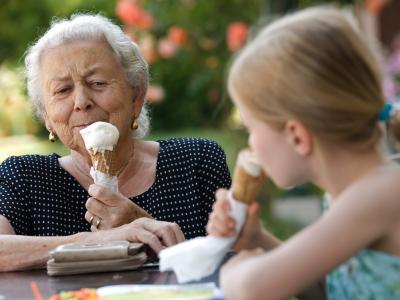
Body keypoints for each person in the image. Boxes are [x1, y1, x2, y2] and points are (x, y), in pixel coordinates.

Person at [0, 14, 231, 272]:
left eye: (97, 83)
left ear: (136, 97)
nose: (81, 101)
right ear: (48, 119)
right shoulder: (24, 177)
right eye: (62, 90)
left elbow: (234, 266)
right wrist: (97, 241)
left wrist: (143, 227)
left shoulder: (196, 161)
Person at [207, 6, 400, 300]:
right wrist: (256, 240)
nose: (251, 145)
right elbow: (328, 290)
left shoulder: (381, 194)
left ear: (297, 136)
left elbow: (251, 289)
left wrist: (235, 269)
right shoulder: (346, 194)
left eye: (251, 129)